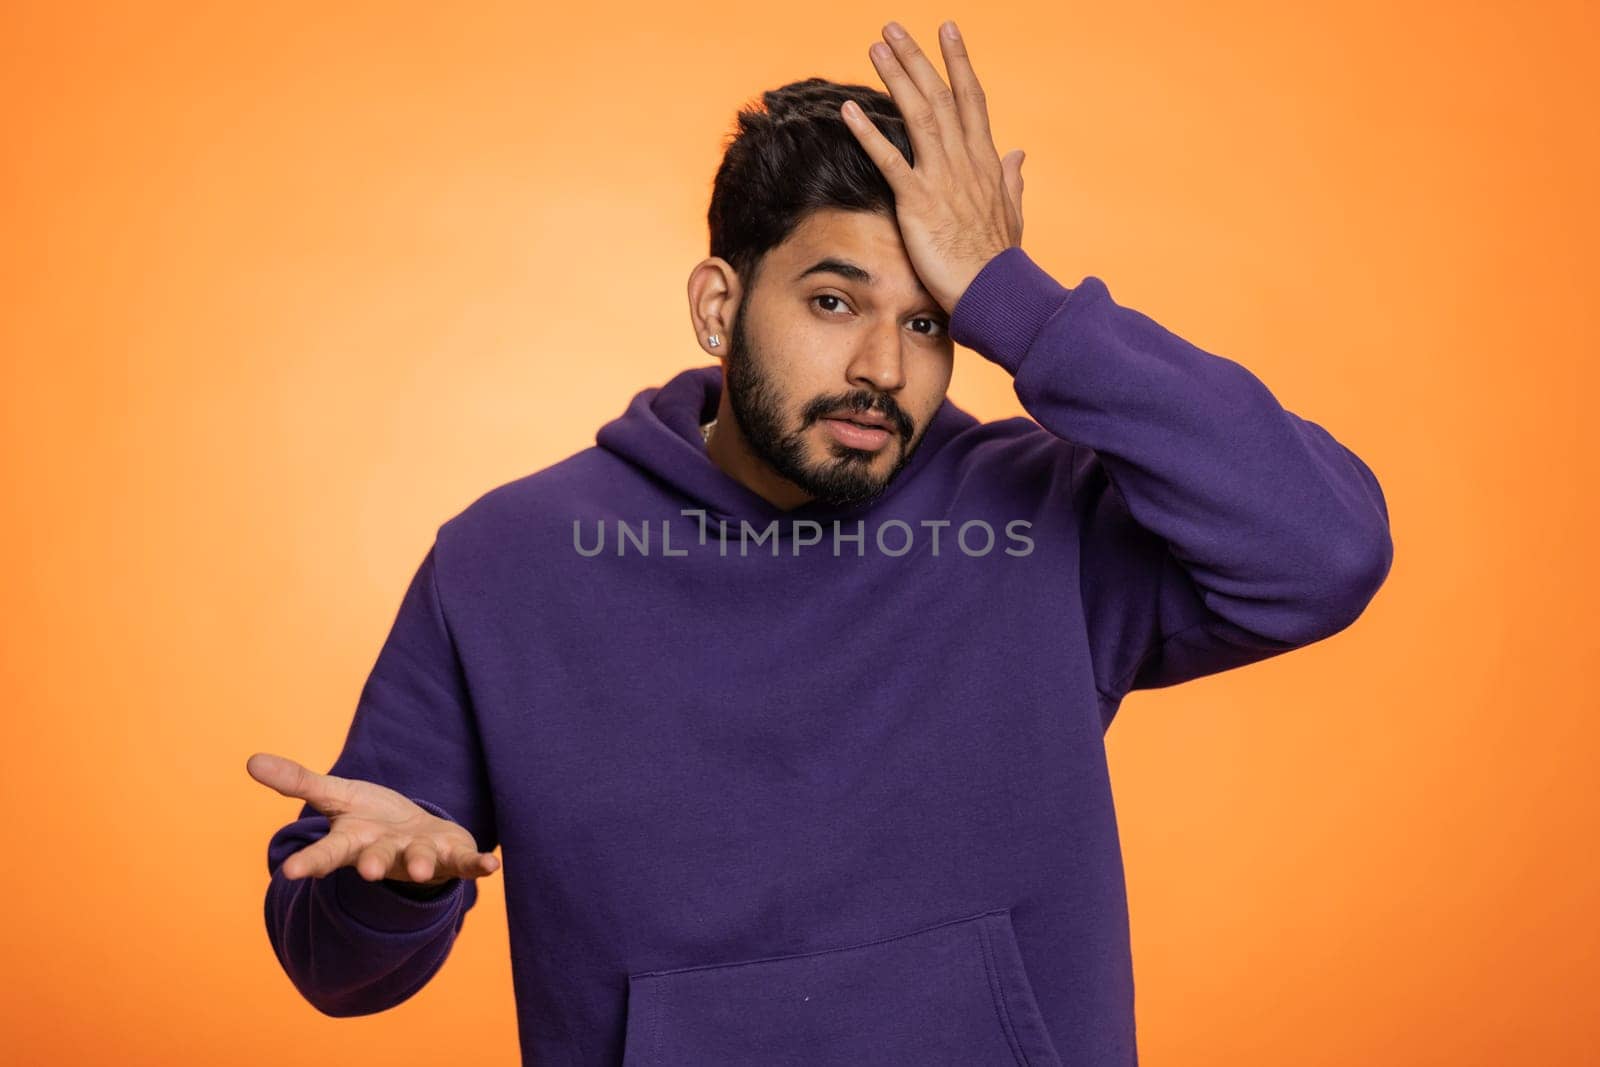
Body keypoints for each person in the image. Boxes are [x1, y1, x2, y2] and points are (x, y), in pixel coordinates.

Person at [249, 19, 1393, 1066]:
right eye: (834, 303)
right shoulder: (510, 561)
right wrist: (385, 893)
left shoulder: (1044, 519)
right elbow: (333, 965)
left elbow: (1324, 550)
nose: (883, 371)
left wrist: (1020, 302)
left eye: (930, 320)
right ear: (718, 305)